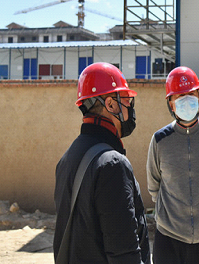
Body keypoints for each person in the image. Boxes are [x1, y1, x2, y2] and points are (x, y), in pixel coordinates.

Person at [54, 62, 150, 264]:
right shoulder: (112, 164)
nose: (130, 108)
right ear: (111, 104)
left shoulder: (67, 158)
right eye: (126, 100)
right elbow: (124, 253)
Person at [146, 66, 199, 264]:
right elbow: (154, 184)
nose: (187, 100)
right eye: (180, 96)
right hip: (168, 238)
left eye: (191, 94)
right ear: (171, 103)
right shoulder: (160, 140)